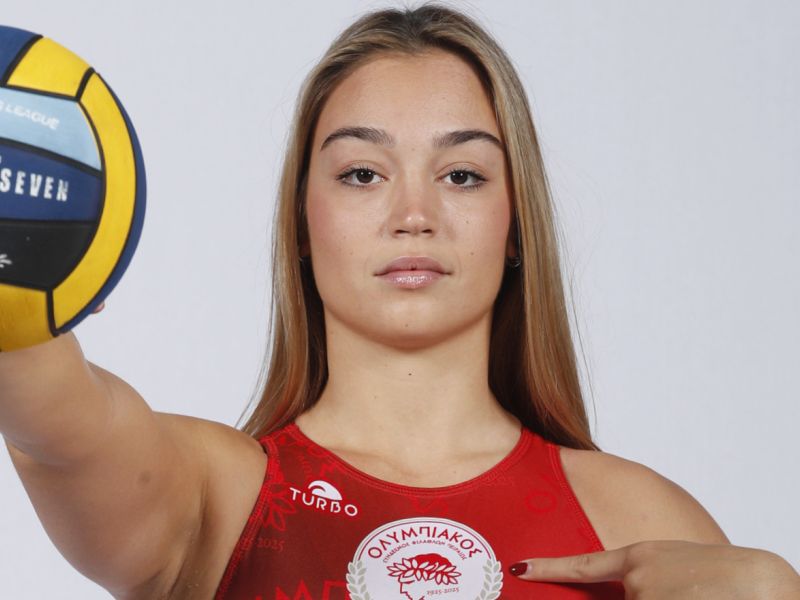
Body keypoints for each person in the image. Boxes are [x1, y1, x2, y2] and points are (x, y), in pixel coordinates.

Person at [1, 3, 798, 599]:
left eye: (463, 175)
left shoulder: (641, 522)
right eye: (361, 174)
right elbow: (54, 421)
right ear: (301, 223)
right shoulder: (213, 499)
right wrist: (23, 255)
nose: (414, 214)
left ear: (516, 224)